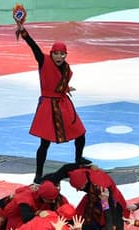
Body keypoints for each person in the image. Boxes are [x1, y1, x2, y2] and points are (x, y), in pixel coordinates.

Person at [15, 22, 89, 184]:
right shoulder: (44, 61)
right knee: (44, 143)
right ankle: (38, 173)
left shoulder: (66, 68)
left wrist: (66, 88)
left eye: (62, 54)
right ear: (51, 53)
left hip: (63, 104)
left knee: (80, 133)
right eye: (56, 53)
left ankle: (78, 159)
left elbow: (59, 83)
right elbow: (34, 48)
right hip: (49, 106)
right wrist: (24, 32)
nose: (59, 57)